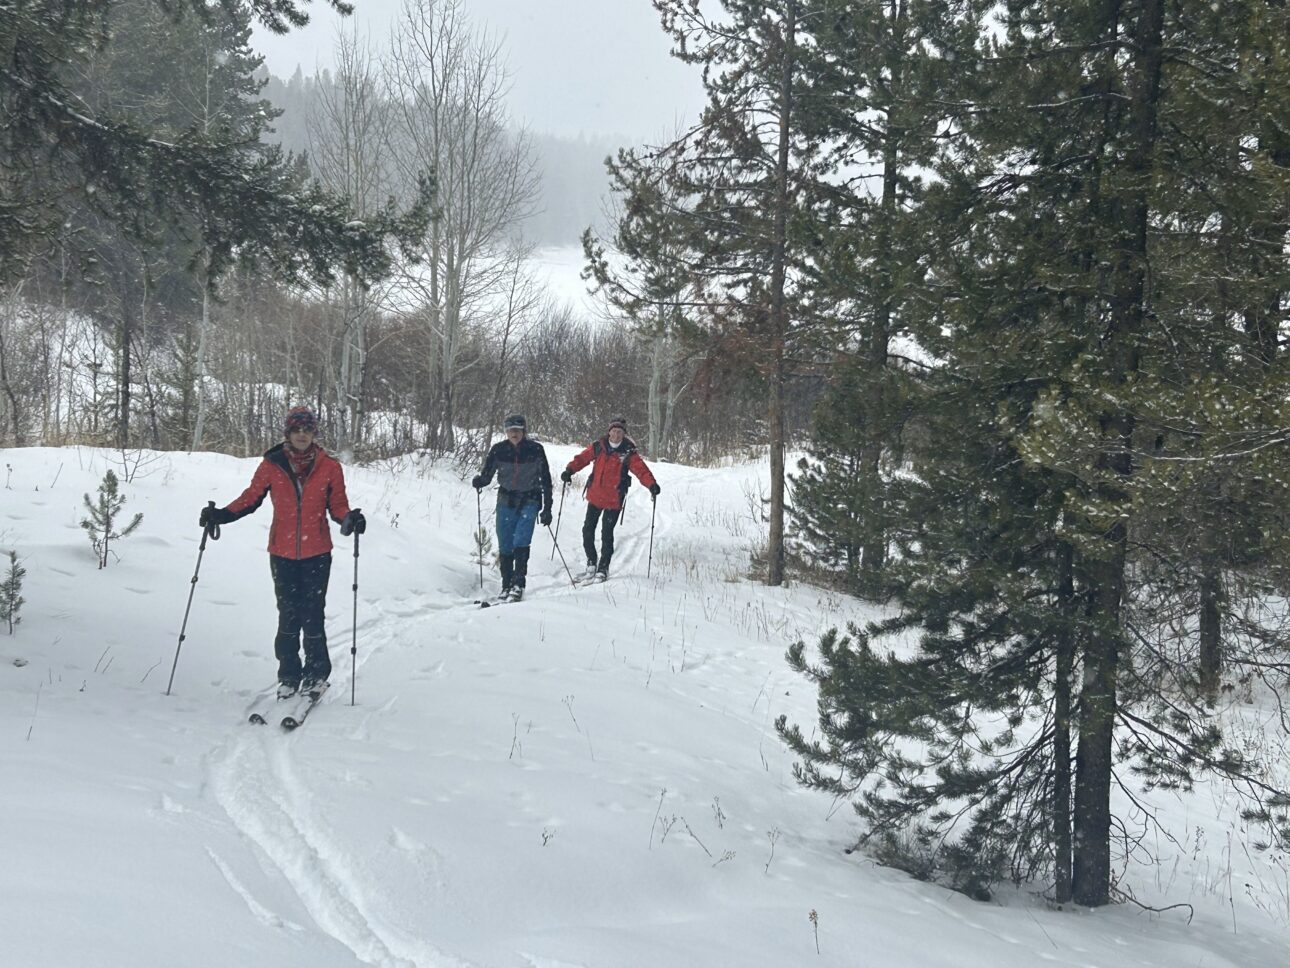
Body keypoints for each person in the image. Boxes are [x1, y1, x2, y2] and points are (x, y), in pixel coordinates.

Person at [199, 405, 365, 700]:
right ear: (288, 433)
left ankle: (316, 674)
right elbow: (250, 499)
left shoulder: (329, 467)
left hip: (317, 552)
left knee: (312, 614)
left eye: (307, 429)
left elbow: (337, 505)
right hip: (282, 552)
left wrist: (349, 518)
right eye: (297, 429)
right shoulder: (271, 465)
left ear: (314, 433)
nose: (302, 435)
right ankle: (289, 675)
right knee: (288, 616)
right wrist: (221, 515)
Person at [560, 416, 659, 582]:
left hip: (614, 499)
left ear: (624, 434)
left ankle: (603, 568)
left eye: (620, 432)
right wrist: (569, 470)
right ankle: (591, 563)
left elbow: (641, 470)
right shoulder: (599, 446)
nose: (616, 434)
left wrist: (651, 485)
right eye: (614, 431)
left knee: (607, 533)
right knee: (587, 530)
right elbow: (583, 458)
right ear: (609, 432)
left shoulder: (628, 453)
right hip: (596, 496)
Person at [472, 413, 554, 602]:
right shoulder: (499, 450)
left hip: (530, 499)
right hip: (505, 500)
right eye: (510, 430)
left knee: (521, 541)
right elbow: (488, 474)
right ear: (506, 432)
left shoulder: (535, 449)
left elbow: (546, 480)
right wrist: (480, 481)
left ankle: (518, 585)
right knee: (506, 544)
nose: (514, 433)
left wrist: (547, 508)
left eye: (517, 430)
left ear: (523, 430)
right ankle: (506, 585)